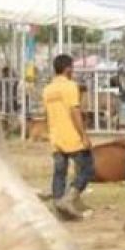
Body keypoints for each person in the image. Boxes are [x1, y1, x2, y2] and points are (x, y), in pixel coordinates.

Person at [42, 54, 93, 219]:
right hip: (72, 137)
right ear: (68, 69)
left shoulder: (47, 90)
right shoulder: (71, 86)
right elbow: (74, 111)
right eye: (73, 68)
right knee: (87, 168)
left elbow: (48, 115)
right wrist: (83, 135)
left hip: (56, 137)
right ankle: (69, 199)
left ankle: (58, 206)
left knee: (59, 172)